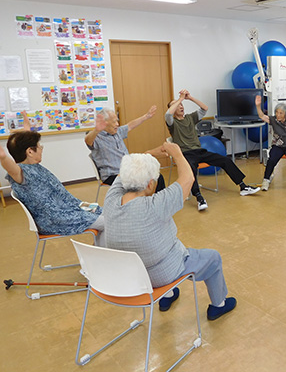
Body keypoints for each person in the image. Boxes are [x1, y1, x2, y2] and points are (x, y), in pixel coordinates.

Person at [103, 144, 236, 318]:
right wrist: (177, 154)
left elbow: (127, 170)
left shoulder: (111, 198)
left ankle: (168, 295)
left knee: (152, 247)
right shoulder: (156, 205)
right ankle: (219, 304)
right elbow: (188, 179)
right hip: (161, 274)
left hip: (132, 276)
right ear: (151, 184)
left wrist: (149, 152)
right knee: (213, 258)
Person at [1, 115, 105, 245]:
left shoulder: (33, 165)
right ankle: (101, 257)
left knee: (105, 211)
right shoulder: (22, 173)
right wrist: (3, 157)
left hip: (72, 207)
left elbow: (24, 144)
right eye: (39, 146)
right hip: (56, 219)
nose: (42, 148)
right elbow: (11, 168)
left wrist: (27, 128)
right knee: (107, 222)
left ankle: (100, 252)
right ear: (30, 152)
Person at [166, 90, 259, 211]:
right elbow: (168, 114)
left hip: (199, 151)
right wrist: (180, 99)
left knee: (225, 160)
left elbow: (204, 108)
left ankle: (243, 187)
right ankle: (199, 198)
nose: (180, 106)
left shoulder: (190, 118)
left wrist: (189, 97)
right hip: (186, 154)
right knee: (190, 170)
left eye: (181, 105)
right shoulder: (172, 123)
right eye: (177, 105)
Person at [85, 106, 165, 191]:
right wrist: (97, 130)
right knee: (142, 182)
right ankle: (143, 203)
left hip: (128, 170)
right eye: (114, 122)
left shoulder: (117, 131)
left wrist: (146, 116)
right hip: (113, 175)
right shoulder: (97, 137)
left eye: (117, 121)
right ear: (104, 123)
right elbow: (87, 141)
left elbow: (130, 126)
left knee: (157, 178)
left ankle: (158, 203)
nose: (117, 124)